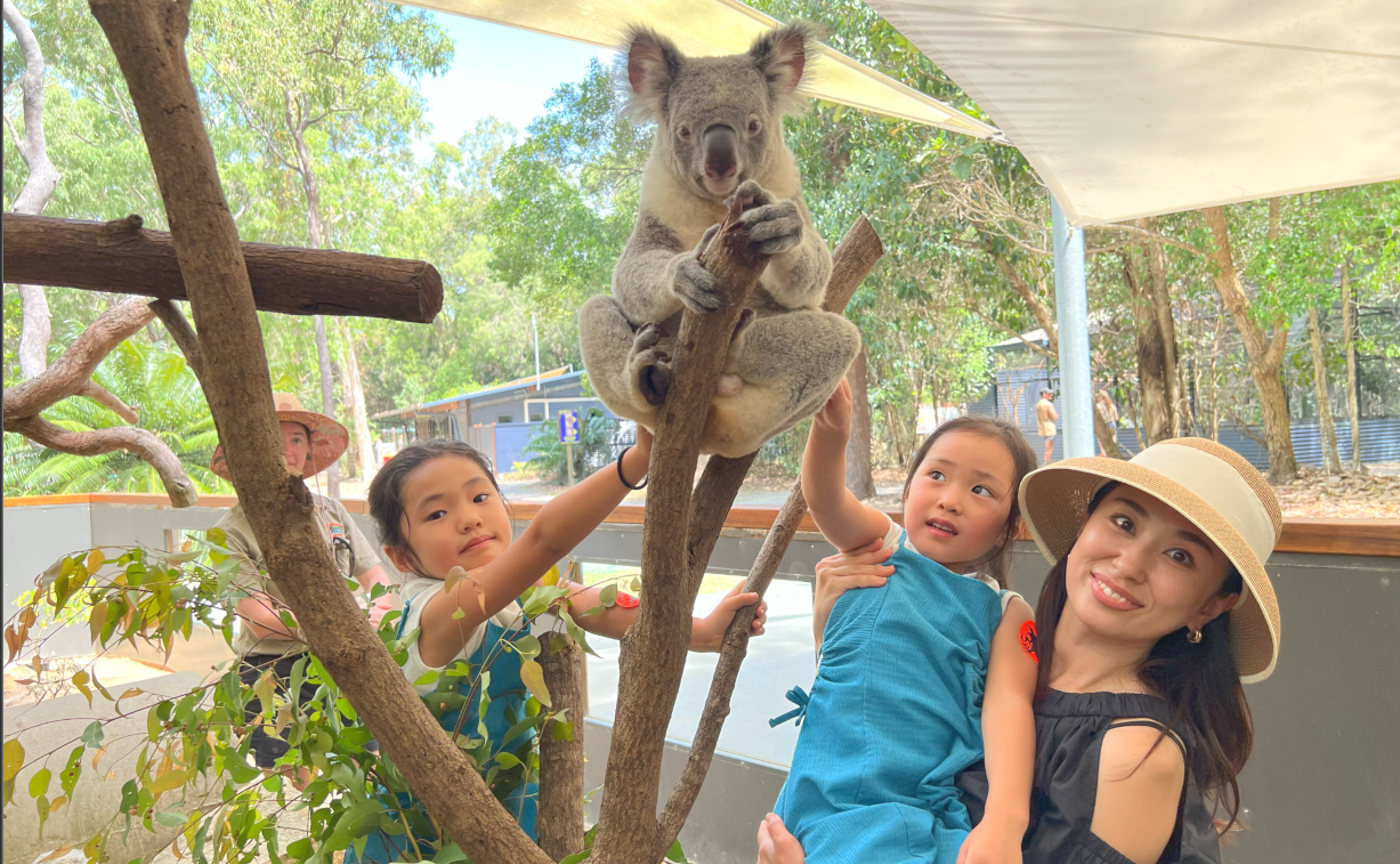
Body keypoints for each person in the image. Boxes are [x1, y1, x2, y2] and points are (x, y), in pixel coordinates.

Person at [760, 436, 1283, 864]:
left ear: (1210, 606)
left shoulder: (1135, 756)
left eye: (1180, 556)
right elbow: (877, 734)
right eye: (1124, 522)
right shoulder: (1001, 648)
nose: (1130, 563)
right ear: (1085, 526)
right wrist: (836, 631)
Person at [351, 432, 768, 862]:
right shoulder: (435, 613)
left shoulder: (520, 589)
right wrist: (637, 462)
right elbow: (543, 542)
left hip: (510, 808)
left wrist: (702, 634)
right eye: (437, 513)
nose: (469, 519)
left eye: (479, 497)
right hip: (421, 836)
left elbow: (596, 605)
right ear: (401, 558)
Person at [768, 379, 1041, 864]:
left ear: (1010, 526)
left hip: (907, 804)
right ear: (910, 485)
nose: (950, 499)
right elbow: (826, 498)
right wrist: (831, 430)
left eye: (981, 489)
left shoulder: (1004, 610)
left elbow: (1010, 709)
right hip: (815, 789)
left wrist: (1005, 821)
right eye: (937, 475)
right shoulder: (883, 544)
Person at [211, 393, 396, 782]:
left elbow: (378, 581)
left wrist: (378, 616)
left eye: (296, 439)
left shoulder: (331, 511)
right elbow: (262, 619)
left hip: (345, 659)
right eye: (272, 440)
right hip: (272, 670)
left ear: (310, 448)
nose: (287, 450)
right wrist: (343, 624)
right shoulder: (229, 531)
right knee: (293, 781)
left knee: (365, 767)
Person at [1035, 388, 1059, 465]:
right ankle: (1047, 463)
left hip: (1042, 427)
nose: (1051, 395)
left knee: (1047, 447)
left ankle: (1046, 462)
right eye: (1049, 394)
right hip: (1049, 428)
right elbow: (1054, 416)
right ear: (1044, 394)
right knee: (1049, 448)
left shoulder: (1038, 404)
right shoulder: (1048, 404)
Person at [1096, 389, 1121, 458]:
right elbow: (1116, 418)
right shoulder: (1112, 406)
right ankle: (1113, 451)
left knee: (1100, 438)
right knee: (1113, 437)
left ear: (1100, 397)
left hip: (1104, 425)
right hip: (1112, 424)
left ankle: (1103, 452)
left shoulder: (1098, 406)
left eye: (1098, 397)